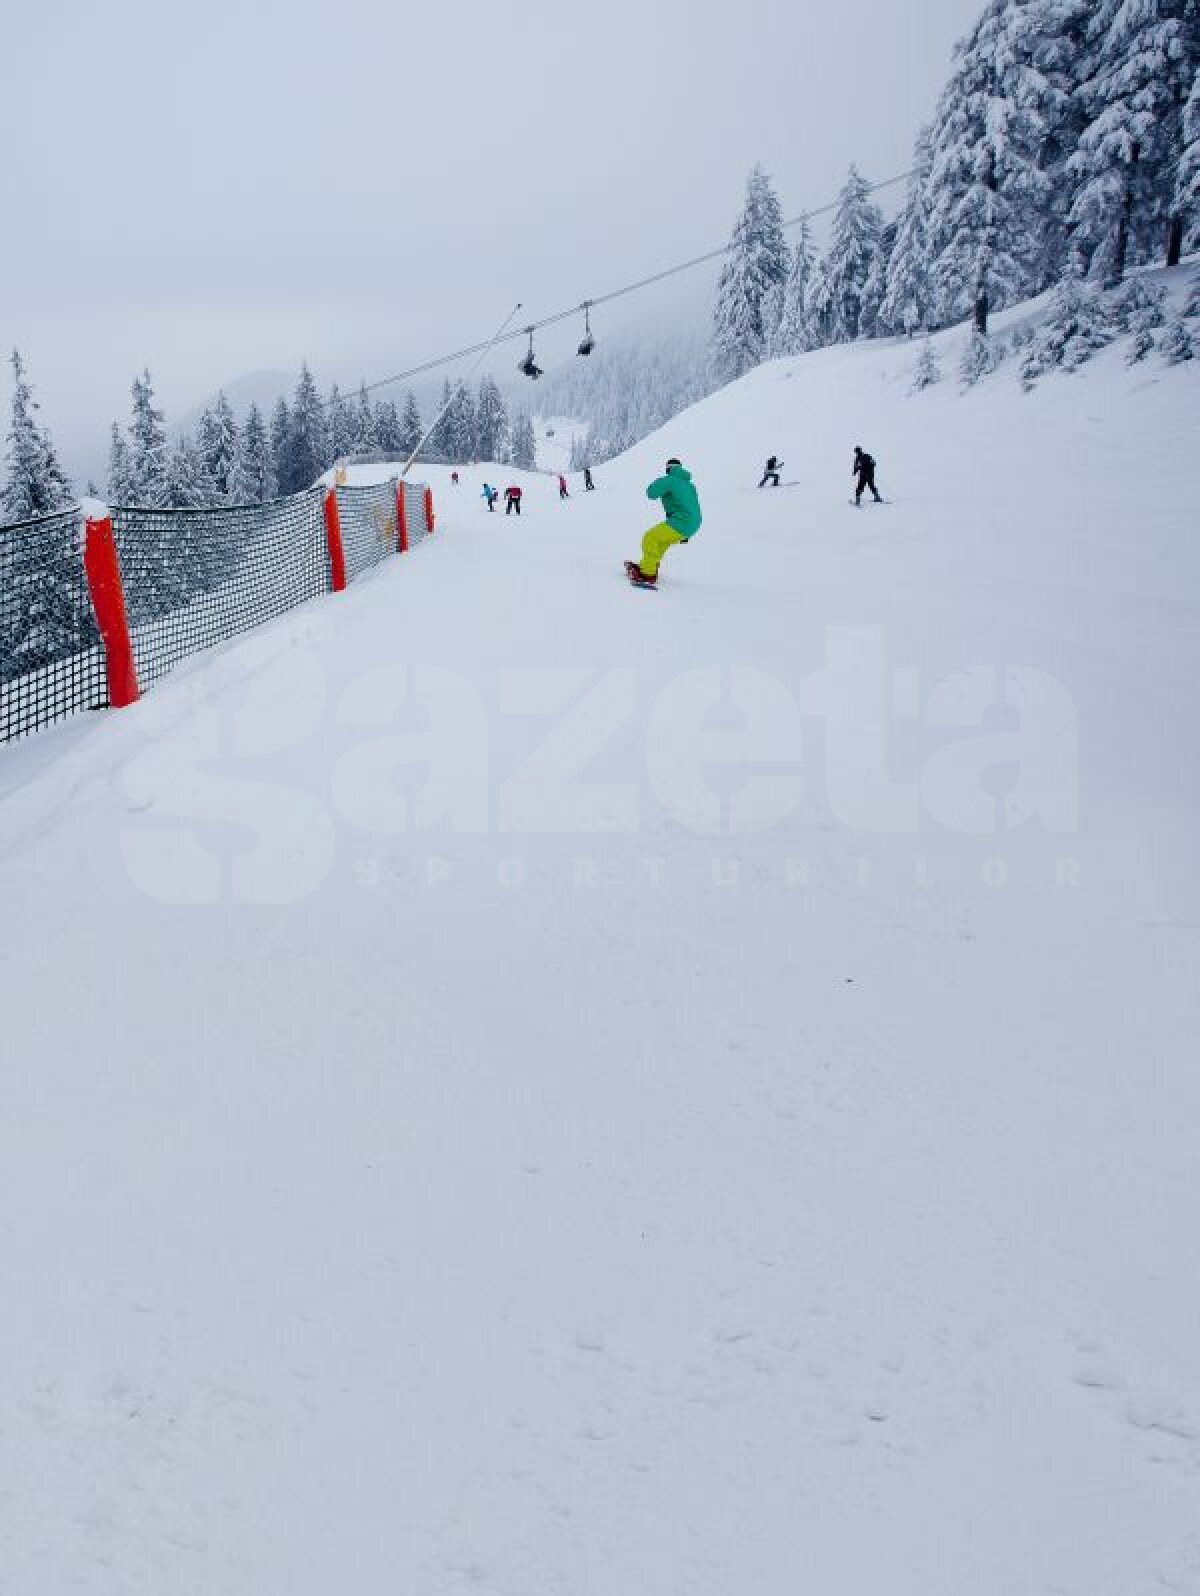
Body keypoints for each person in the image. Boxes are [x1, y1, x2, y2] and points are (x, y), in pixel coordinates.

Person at [625, 457, 702, 588]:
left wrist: (662, 481)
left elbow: (651, 493)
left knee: (650, 538)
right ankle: (648, 566)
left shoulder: (670, 480)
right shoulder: (690, 485)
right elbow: (692, 506)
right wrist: (687, 533)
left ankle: (647, 574)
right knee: (660, 542)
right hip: (693, 523)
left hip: (681, 521)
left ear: (668, 468)